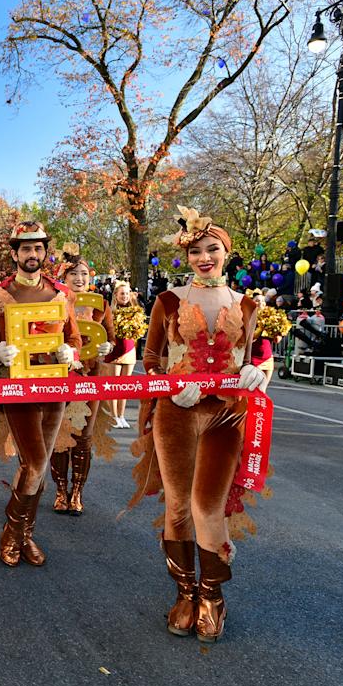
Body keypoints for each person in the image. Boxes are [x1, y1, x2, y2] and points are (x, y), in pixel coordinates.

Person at [130, 206, 265, 643]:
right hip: (176, 413)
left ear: (227, 252)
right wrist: (168, 387)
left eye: (212, 249)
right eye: (196, 252)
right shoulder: (167, 302)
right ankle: (185, 592)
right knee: (176, 506)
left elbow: (263, 356)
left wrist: (260, 372)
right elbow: (149, 360)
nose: (204, 257)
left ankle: (213, 596)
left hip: (226, 413)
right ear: (186, 257)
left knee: (207, 506)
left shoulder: (248, 304)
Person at [0, 220, 80, 567]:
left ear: (45, 252)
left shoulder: (60, 294)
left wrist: (72, 354)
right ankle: (12, 533)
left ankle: (23, 535)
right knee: (36, 461)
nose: (33, 254)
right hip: (17, 387)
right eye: (26, 248)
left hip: (54, 389)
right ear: (14, 253)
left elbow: (75, 339)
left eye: (38, 248)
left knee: (34, 466)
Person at [50, 246, 115, 516]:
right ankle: (60, 490)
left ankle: (77, 491)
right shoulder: (55, 301)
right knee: (59, 436)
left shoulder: (101, 304)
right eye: (73, 273)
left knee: (84, 437)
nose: (79, 278)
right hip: (58, 376)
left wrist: (108, 347)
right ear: (63, 277)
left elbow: (112, 338)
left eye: (84, 274)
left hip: (90, 377)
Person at [103, 281, 140, 427]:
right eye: (122, 293)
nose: (124, 296)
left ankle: (122, 415)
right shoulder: (110, 312)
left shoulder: (136, 311)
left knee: (125, 387)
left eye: (126, 293)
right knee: (114, 385)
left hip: (129, 350)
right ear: (116, 296)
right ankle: (113, 416)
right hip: (114, 351)